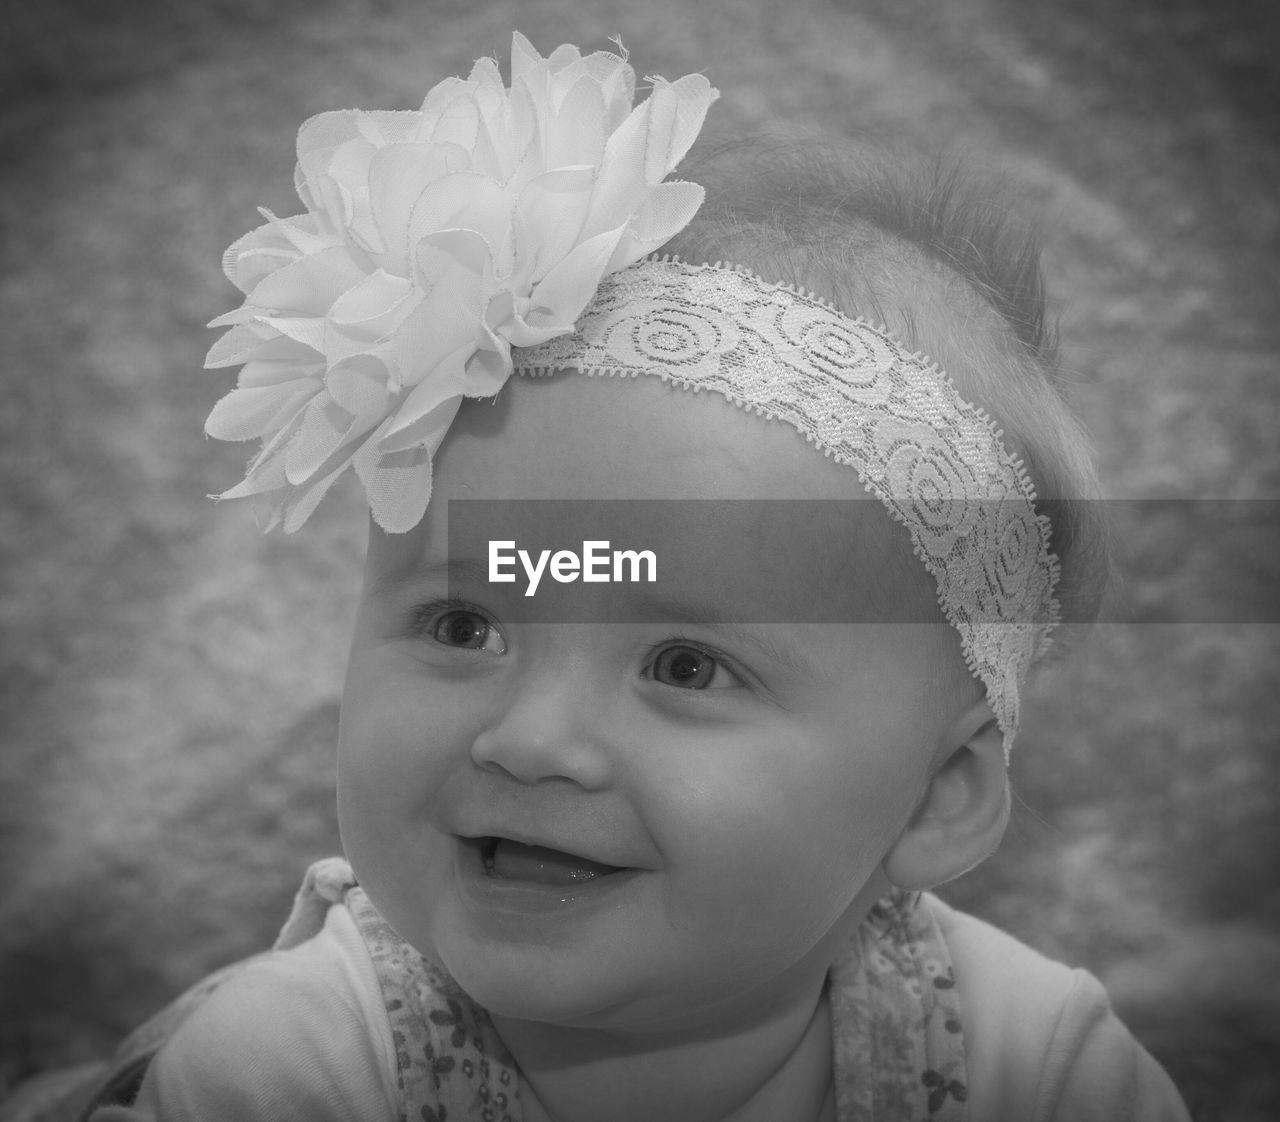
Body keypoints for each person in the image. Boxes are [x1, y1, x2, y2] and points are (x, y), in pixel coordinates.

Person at [11, 32, 1189, 1122]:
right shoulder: (291, 1070)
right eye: (466, 625)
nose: (530, 741)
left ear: (937, 796)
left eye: (685, 665)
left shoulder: (1035, 1063)